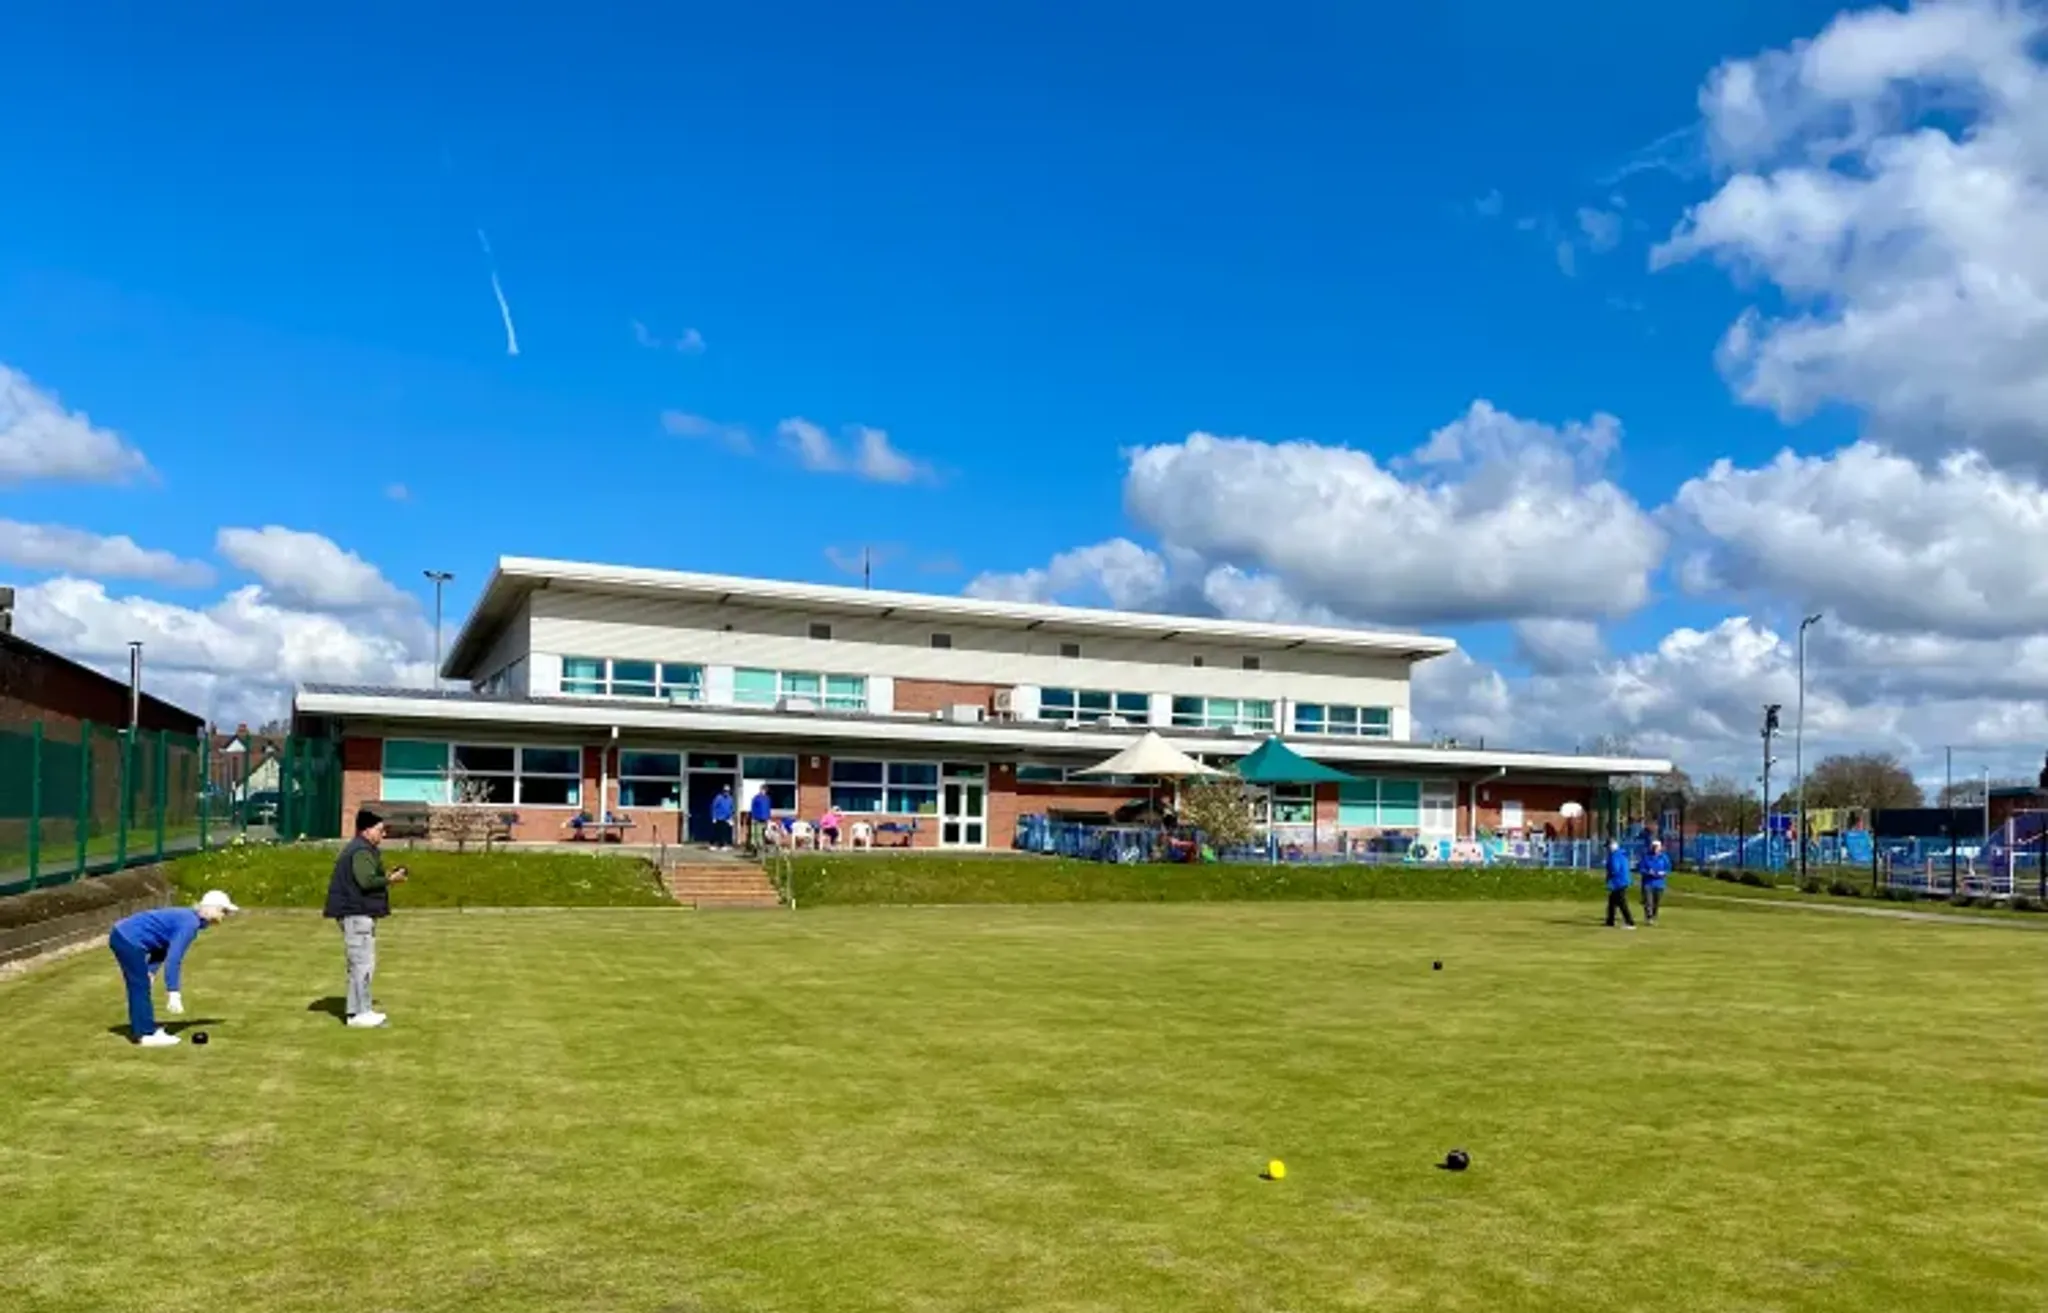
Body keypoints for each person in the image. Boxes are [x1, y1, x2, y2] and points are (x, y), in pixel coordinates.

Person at [107, 889, 240, 1046]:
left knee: (141, 983)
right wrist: (173, 992)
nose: (224, 916)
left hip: (125, 935)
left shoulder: (190, 919)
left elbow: (162, 945)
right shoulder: (189, 923)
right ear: (210, 907)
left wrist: (151, 970)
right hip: (127, 939)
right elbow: (173, 959)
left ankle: (146, 1028)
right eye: (222, 911)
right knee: (139, 985)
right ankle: (145, 1034)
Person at [323, 807, 408, 1028]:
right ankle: (359, 1013)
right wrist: (390, 880)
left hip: (356, 913)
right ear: (367, 830)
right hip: (356, 913)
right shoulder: (360, 851)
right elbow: (366, 881)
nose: (384, 834)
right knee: (362, 963)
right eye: (381, 830)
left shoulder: (361, 849)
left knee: (361, 963)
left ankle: (361, 1010)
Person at [1603, 839, 1636, 930]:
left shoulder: (1614, 856)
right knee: (1612, 902)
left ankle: (1630, 922)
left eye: (1608, 847)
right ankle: (1610, 921)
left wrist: (1609, 874)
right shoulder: (1622, 855)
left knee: (1622, 903)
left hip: (1618, 882)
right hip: (1623, 880)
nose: (1607, 849)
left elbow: (1614, 869)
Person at [1639, 839, 1672, 924]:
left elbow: (1668, 868)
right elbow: (1641, 868)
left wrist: (1664, 873)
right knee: (1648, 902)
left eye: (1657, 847)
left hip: (1659, 883)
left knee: (1656, 902)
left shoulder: (1664, 857)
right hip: (1648, 882)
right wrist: (1648, 872)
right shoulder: (1646, 857)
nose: (1655, 849)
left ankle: (1654, 916)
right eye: (1654, 847)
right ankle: (1649, 918)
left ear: (1660, 848)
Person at [747, 784, 774, 852]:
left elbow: (768, 809)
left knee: (763, 833)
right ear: (761, 789)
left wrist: (768, 818)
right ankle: (756, 846)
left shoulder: (767, 798)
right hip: (757, 818)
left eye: (765, 790)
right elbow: (753, 808)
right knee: (757, 833)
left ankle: (761, 846)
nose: (764, 791)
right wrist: (753, 817)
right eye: (763, 790)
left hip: (765, 818)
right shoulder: (756, 798)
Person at [710, 785, 736, 851]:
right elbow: (714, 807)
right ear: (723, 791)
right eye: (725, 791)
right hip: (719, 817)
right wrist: (714, 817)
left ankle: (723, 845)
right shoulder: (718, 798)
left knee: (725, 832)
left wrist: (731, 818)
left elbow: (732, 808)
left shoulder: (730, 799)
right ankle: (713, 844)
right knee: (717, 832)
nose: (726, 792)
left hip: (726, 818)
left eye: (727, 791)